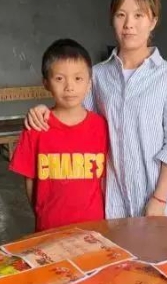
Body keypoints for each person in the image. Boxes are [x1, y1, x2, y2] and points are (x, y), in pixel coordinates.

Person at [24, 0, 167, 218]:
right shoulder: (98, 75)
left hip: (156, 196)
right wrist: (45, 110)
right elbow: (76, 116)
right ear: (112, 20)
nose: (129, 24)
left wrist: (159, 198)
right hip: (112, 199)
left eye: (138, 15)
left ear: (153, 21)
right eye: (121, 15)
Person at [9, 38, 108, 232]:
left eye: (78, 78)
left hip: (94, 228)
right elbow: (29, 180)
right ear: (46, 83)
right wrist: (40, 213)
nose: (69, 87)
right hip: (49, 228)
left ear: (89, 83)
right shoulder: (36, 127)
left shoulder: (101, 126)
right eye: (60, 79)